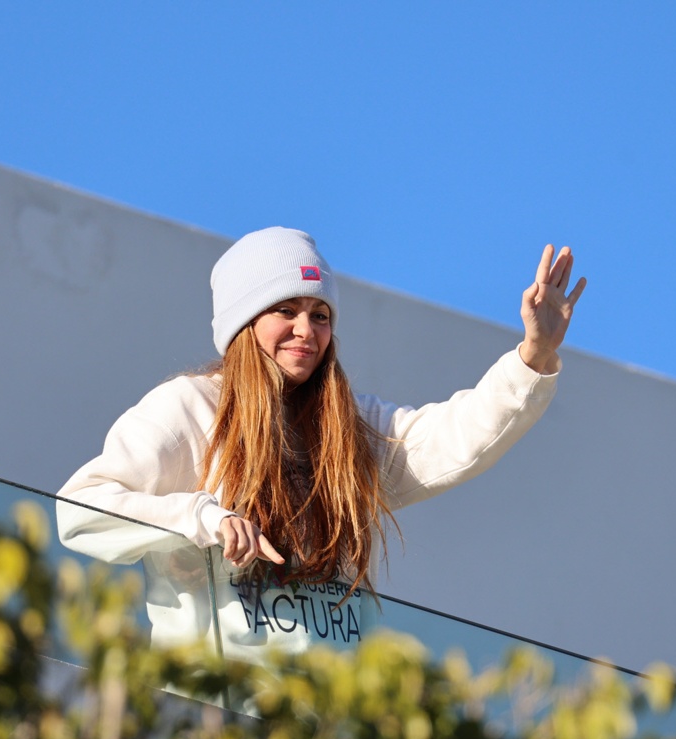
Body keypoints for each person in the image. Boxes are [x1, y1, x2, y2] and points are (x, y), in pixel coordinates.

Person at [56, 227, 585, 664]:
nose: (305, 330)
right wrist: (202, 517)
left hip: (325, 730)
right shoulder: (191, 409)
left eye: (320, 314)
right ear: (244, 324)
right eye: (285, 310)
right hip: (211, 718)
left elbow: (455, 436)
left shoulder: (346, 427)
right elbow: (79, 509)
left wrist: (533, 355)